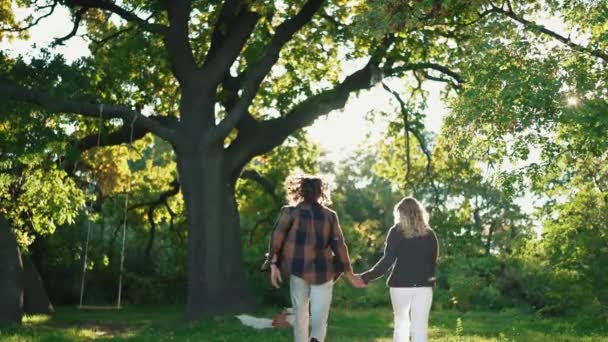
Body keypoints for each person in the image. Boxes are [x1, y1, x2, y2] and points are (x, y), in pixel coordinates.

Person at [264, 173, 363, 342]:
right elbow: (339, 245)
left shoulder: (289, 212)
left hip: (298, 270)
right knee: (319, 319)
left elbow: (277, 238)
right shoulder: (330, 216)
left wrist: (273, 264)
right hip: (323, 272)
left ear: (300, 191)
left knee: (301, 317)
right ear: (320, 192)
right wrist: (349, 272)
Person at [357, 197, 439, 342]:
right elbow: (432, 264)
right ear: (419, 213)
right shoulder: (430, 234)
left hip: (400, 286)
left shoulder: (396, 231)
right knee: (420, 327)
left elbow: (387, 261)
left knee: (401, 325)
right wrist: (430, 282)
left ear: (401, 213)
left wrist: (366, 277)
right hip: (423, 288)